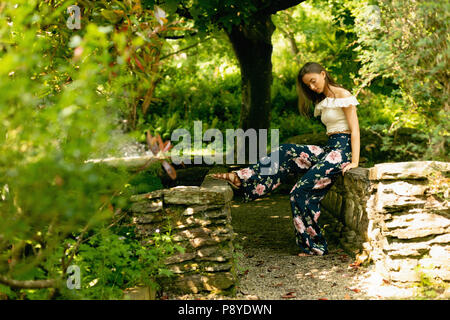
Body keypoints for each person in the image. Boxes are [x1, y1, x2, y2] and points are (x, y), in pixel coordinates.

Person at [209, 62, 360, 256]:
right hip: (329, 149)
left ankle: (315, 245)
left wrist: (354, 162)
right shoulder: (325, 100)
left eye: (313, 81)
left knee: (299, 191)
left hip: (341, 153)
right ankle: (244, 178)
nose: (312, 87)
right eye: (308, 85)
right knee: (286, 151)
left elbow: (355, 130)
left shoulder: (342, 95)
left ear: (323, 74)